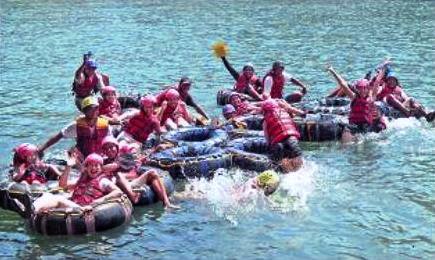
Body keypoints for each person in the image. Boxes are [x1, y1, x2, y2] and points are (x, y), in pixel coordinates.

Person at [17, 153, 122, 218]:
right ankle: (30, 209)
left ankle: (31, 210)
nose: (94, 168)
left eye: (97, 166)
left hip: (85, 210)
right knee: (46, 196)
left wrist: (100, 201)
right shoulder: (81, 180)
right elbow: (62, 185)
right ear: (86, 168)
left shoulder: (103, 181)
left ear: (101, 168)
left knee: (57, 198)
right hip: (75, 207)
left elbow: (118, 191)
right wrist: (68, 167)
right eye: (91, 165)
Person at [100, 137, 176, 208]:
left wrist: (104, 169)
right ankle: (133, 197)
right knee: (118, 176)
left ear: (116, 147)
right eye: (106, 149)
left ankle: (166, 202)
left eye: (111, 147)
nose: (109, 150)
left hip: (133, 182)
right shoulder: (103, 162)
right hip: (118, 186)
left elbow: (118, 167)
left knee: (152, 172)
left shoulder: (125, 156)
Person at [38, 96, 111, 160]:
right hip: (82, 156)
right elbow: (59, 135)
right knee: (73, 151)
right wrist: (42, 149)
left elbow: (111, 142)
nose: (93, 111)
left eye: (95, 108)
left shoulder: (105, 125)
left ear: (98, 110)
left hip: (99, 156)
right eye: (89, 109)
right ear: (84, 111)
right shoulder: (76, 125)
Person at [326, 65, 387, 140]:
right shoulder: (354, 97)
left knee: (375, 127)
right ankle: (346, 148)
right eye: (360, 88)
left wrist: (384, 68)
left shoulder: (371, 98)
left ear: (368, 89)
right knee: (346, 130)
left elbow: (377, 81)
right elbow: (343, 84)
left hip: (367, 126)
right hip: (354, 125)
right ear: (357, 89)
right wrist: (332, 71)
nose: (362, 91)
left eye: (364, 88)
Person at [261, 98, 305, 172]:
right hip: (292, 138)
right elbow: (302, 114)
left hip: (278, 143)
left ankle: (283, 170)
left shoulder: (265, 121)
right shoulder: (285, 111)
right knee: (299, 161)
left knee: (279, 164)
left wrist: (269, 147)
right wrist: (288, 107)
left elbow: (267, 139)